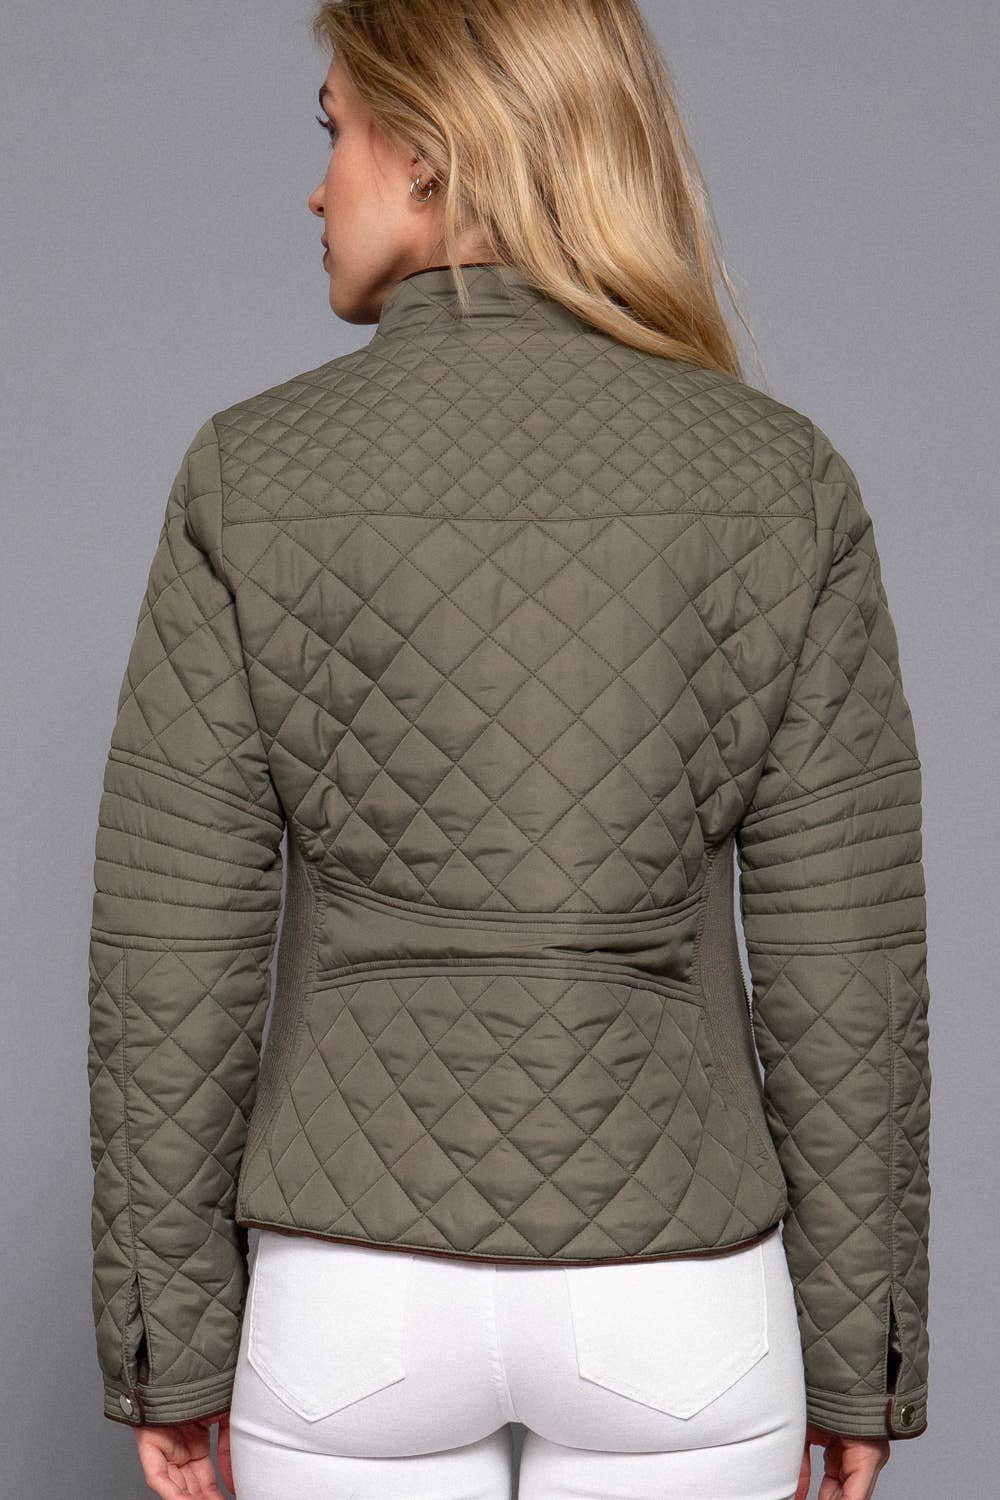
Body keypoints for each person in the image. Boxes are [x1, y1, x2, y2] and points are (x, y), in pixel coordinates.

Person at [85, 3, 931, 1498]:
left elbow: (172, 957)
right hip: (678, 1297)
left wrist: (174, 1343)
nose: (315, 187)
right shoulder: (782, 481)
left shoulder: (248, 474)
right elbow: (843, 968)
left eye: (335, 132)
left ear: (430, 151)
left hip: (350, 1299)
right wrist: (860, 1350)